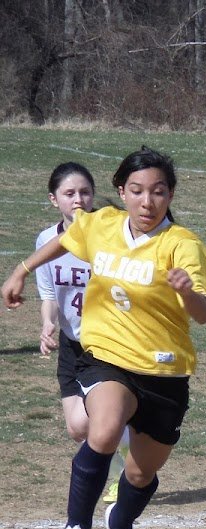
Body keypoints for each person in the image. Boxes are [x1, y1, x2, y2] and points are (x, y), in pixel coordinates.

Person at [2, 147, 206, 529]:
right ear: (121, 191)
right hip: (107, 357)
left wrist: (187, 292)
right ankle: (74, 528)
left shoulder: (182, 245)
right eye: (137, 190)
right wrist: (22, 270)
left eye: (158, 192)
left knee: (141, 474)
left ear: (171, 195)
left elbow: (203, 315)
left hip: (164, 372)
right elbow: (64, 241)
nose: (147, 201)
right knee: (102, 429)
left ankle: (119, 525)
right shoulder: (101, 225)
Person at [33, 162, 128, 503]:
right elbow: (49, 294)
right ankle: (127, 438)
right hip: (72, 344)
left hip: (107, 345)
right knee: (77, 427)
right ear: (53, 199)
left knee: (100, 419)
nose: (78, 200)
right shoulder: (46, 240)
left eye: (85, 192)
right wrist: (48, 323)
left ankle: (120, 471)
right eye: (69, 193)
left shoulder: (109, 236)